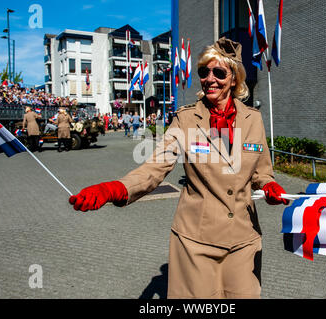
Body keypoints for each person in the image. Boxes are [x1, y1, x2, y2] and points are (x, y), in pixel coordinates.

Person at [69, 37, 289, 299]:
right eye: (203, 72)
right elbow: (155, 167)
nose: (209, 79)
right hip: (196, 242)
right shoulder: (186, 119)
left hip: (244, 240)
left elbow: (261, 172)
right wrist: (115, 189)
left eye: (218, 72)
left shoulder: (254, 119)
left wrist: (269, 185)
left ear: (234, 79)